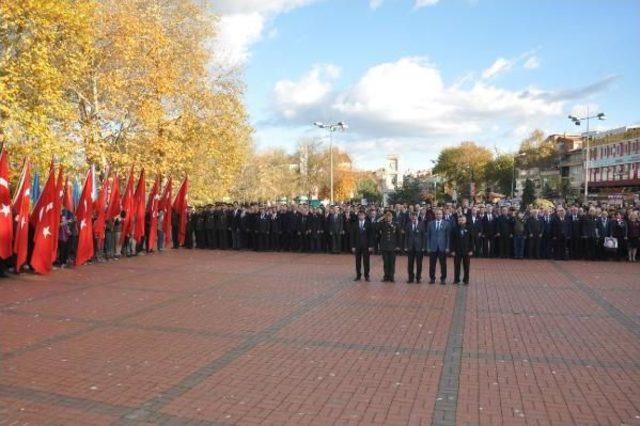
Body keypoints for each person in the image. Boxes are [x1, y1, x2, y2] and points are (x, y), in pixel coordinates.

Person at [426, 208, 451, 285]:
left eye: (440, 214)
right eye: (437, 214)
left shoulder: (447, 223)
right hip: (433, 247)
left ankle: (443, 279)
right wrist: (428, 247)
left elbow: (448, 237)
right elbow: (428, 236)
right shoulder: (430, 223)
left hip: (442, 247)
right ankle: (432, 278)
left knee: (443, 264)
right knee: (432, 264)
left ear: (442, 215)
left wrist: (447, 247)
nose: (438, 215)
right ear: (435, 215)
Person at [350, 209, 374, 281]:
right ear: (358, 216)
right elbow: (352, 236)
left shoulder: (368, 224)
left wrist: (370, 246)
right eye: (359, 215)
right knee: (358, 262)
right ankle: (358, 275)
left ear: (365, 216)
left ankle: (367, 276)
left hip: (366, 246)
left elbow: (371, 236)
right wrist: (353, 246)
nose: (361, 216)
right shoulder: (355, 224)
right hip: (357, 246)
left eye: (362, 215)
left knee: (366, 262)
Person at [450, 215, 472, 285]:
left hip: (467, 251)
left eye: (462, 220)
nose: (461, 221)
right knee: (457, 266)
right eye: (460, 220)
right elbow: (451, 241)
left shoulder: (469, 228)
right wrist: (452, 250)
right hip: (457, 251)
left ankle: (466, 280)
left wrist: (471, 250)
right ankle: (456, 280)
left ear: (465, 221)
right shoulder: (454, 229)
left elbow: (472, 240)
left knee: (466, 267)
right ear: (458, 221)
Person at [405, 211, 425, 283]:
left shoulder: (421, 224)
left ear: (417, 217)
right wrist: (406, 246)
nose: (413, 219)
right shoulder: (408, 225)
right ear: (411, 218)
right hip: (410, 247)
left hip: (419, 247)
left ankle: (418, 278)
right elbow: (406, 236)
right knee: (410, 263)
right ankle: (410, 278)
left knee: (419, 263)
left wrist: (423, 246)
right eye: (412, 217)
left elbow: (423, 236)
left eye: (415, 217)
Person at [379, 211, 398, 282]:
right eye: (387, 216)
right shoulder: (382, 224)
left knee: (392, 263)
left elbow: (398, 235)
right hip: (384, 246)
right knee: (386, 263)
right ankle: (386, 276)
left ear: (392, 217)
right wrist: (380, 219)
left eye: (390, 216)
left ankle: (392, 276)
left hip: (393, 246)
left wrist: (398, 245)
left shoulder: (395, 224)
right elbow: (375, 228)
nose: (388, 218)